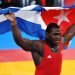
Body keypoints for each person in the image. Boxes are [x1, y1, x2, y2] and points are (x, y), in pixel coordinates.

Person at [4, 13, 75, 75]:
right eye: (55, 34)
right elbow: (20, 41)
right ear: (47, 35)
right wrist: (14, 23)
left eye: (59, 34)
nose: (58, 37)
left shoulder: (61, 42)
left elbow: (71, 31)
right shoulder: (39, 46)